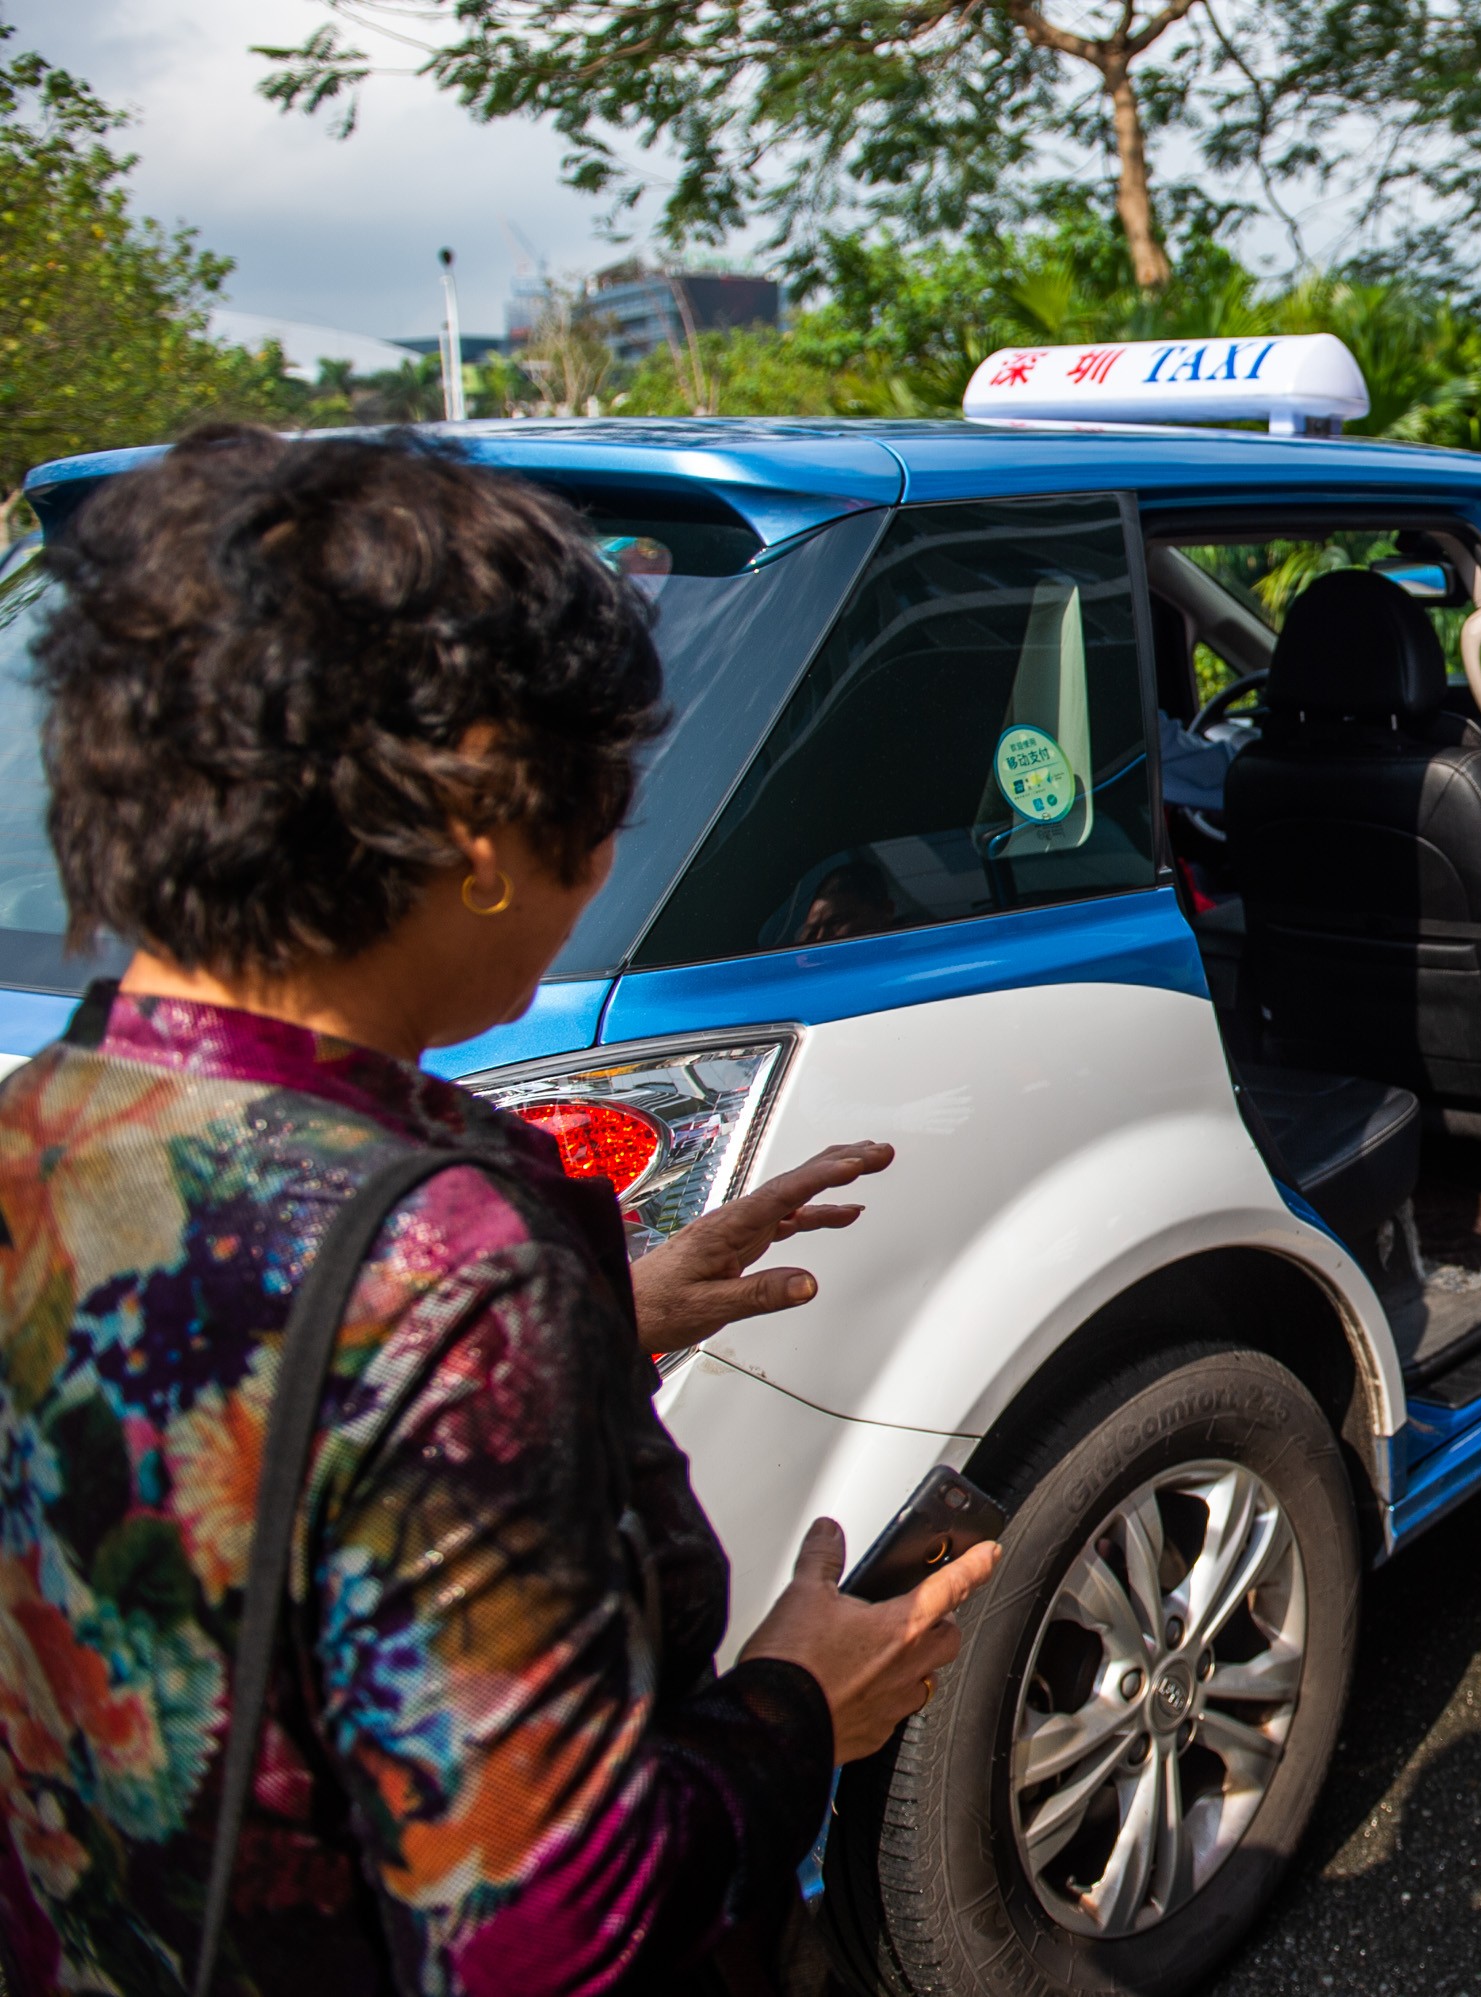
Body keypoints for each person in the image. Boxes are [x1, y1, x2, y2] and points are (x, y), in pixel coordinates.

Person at [0, 427, 1000, 1995]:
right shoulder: (445, 1266)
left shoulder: (45, 1120)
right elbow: (551, 1939)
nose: (610, 849)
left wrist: (619, 1311)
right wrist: (805, 1702)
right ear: (479, 817)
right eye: (605, 790)